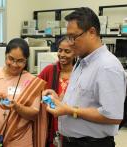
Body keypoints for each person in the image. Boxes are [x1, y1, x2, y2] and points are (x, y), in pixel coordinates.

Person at [43, 7, 126, 147]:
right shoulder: (81, 61)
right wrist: (59, 100)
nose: (70, 42)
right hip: (71, 141)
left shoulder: (107, 66)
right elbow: (83, 100)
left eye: (73, 37)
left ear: (92, 32)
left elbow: (113, 116)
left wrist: (70, 110)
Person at [0, 38, 46, 147]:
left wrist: (17, 107)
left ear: (26, 60)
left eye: (20, 61)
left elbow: (34, 114)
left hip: (20, 137)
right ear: (5, 55)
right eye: (11, 59)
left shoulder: (32, 81)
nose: (15, 64)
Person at [38, 36, 75, 147]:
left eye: (67, 51)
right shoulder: (49, 70)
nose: (62, 54)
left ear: (75, 53)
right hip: (52, 126)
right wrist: (46, 96)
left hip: (73, 125)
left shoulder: (80, 73)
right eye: (60, 50)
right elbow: (33, 91)